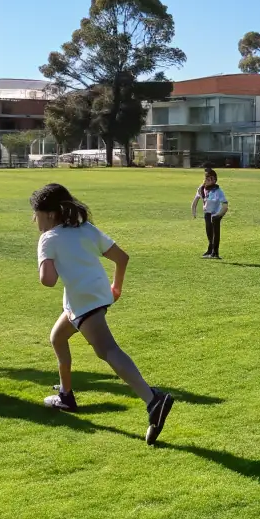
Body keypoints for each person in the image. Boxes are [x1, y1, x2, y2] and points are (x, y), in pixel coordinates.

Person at [31, 183, 174, 444]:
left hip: (85, 301)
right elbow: (122, 257)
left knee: (107, 351)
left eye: (36, 213)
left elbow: (48, 280)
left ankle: (153, 400)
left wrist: (43, 258)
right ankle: (66, 396)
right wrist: (116, 287)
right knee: (57, 338)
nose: (34, 219)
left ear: (49, 214)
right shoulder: (86, 229)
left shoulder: (48, 239)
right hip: (89, 297)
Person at [191, 169, 229, 259]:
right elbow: (195, 200)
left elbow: (225, 205)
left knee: (215, 233)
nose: (206, 181)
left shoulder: (218, 191)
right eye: (206, 178)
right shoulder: (201, 189)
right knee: (209, 232)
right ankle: (210, 250)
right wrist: (193, 211)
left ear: (214, 180)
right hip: (207, 213)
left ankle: (215, 252)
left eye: (209, 179)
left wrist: (218, 215)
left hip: (216, 214)